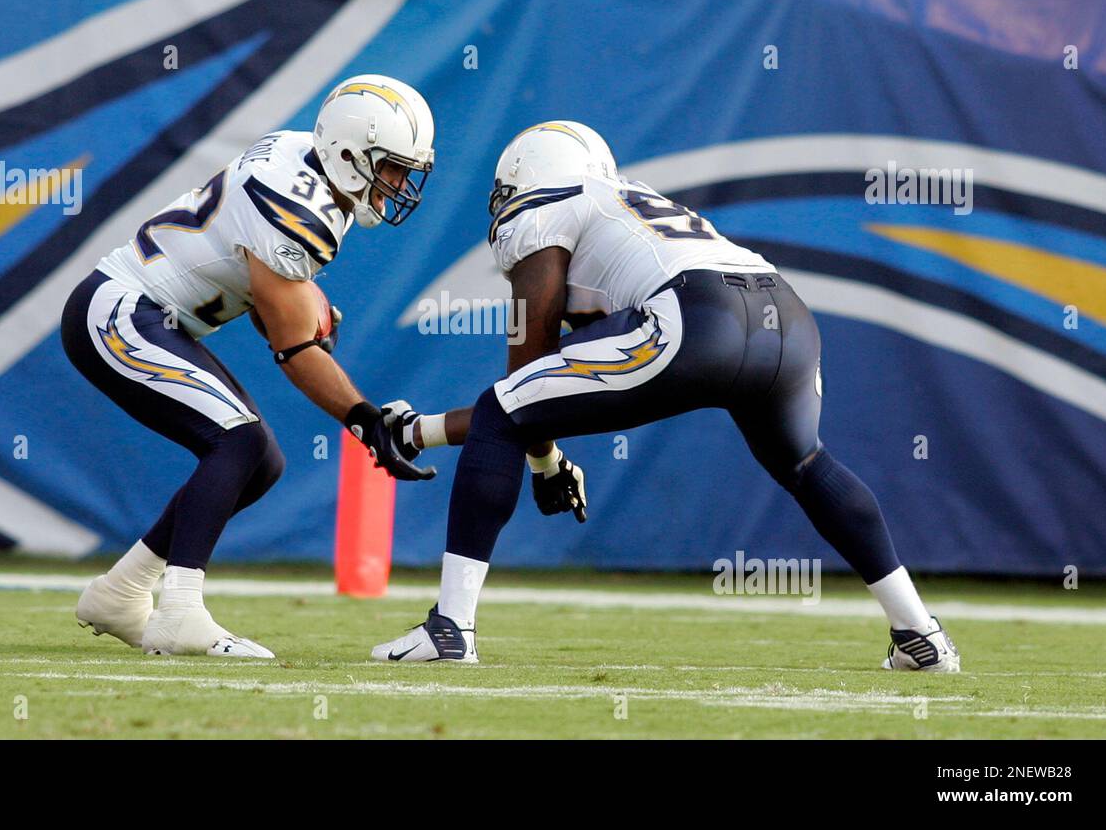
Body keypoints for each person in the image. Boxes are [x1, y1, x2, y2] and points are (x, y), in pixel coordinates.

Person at [372, 120, 960, 672]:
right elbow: (543, 393)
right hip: (785, 314)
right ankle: (920, 634)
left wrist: (539, 460)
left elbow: (523, 384)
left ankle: (450, 629)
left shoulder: (548, 207)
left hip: (700, 315)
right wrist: (431, 431)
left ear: (525, 181)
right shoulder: (626, 204)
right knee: (806, 464)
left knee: (503, 407)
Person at [60, 75, 437, 658]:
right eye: (388, 167)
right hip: (119, 312)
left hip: (148, 315)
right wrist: (364, 420)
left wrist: (300, 295)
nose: (397, 184)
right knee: (236, 441)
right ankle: (180, 611)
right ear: (346, 152)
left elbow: (271, 300)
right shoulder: (293, 206)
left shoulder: (298, 157)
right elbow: (292, 349)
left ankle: (122, 591)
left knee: (261, 461)